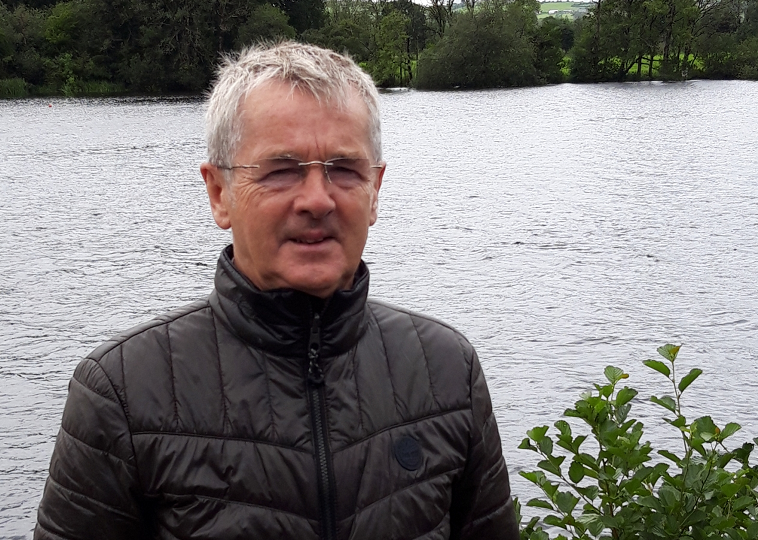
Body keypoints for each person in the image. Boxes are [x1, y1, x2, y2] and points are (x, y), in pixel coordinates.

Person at [34, 41, 518, 540]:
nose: (316, 199)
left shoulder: (446, 370)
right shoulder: (123, 392)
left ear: (375, 191)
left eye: (345, 169)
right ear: (219, 193)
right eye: (281, 170)